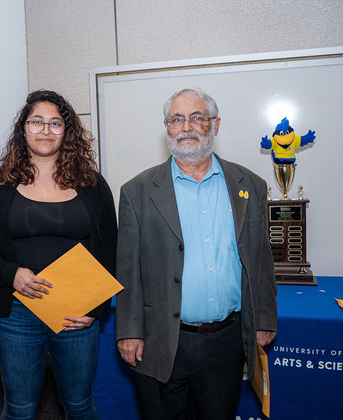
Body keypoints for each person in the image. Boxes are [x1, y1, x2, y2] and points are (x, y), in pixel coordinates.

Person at [115, 87, 277, 420]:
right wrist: (129, 330)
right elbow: (128, 270)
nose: (187, 126)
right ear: (167, 128)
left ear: (215, 125)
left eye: (197, 117)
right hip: (159, 339)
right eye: (177, 119)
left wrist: (263, 318)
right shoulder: (137, 191)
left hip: (225, 341)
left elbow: (261, 261)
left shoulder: (251, 185)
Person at [0, 90, 117, 420]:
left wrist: (95, 307)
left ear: (68, 131)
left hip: (76, 312)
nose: (46, 130)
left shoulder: (92, 185)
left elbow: (110, 249)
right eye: (37, 122)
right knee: (19, 409)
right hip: (17, 310)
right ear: (23, 128)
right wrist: (11, 274)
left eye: (55, 123)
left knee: (79, 405)